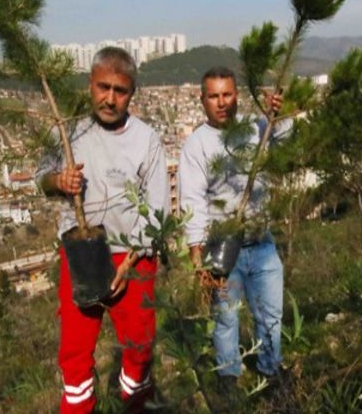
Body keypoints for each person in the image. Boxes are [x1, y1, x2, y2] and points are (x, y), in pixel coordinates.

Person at [36, 46, 168, 413]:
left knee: (139, 348)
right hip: (80, 254)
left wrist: (129, 264)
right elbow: (40, 182)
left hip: (134, 255)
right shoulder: (67, 132)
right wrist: (57, 181)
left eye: (120, 90)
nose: (110, 99)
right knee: (75, 353)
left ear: (132, 93)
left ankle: (136, 404)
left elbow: (157, 209)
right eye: (103, 87)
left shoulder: (147, 140)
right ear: (89, 85)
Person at [178, 66, 290, 392]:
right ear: (202, 100)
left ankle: (271, 371)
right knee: (225, 317)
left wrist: (277, 113)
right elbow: (192, 201)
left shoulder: (254, 130)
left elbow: (284, 136)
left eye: (227, 94)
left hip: (262, 241)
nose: (221, 102)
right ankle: (229, 377)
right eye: (213, 96)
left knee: (270, 313)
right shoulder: (196, 145)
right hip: (222, 247)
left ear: (237, 96)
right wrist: (196, 254)